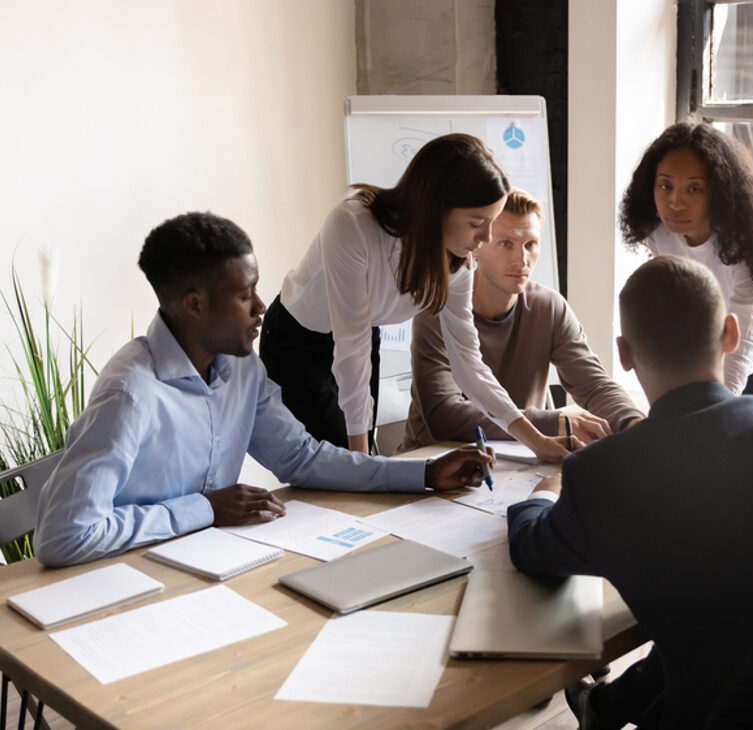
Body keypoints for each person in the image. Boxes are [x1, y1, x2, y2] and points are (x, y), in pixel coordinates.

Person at [507, 255, 753, 729]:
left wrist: (543, 490)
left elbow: (531, 550)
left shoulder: (600, 474)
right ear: (731, 333)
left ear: (624, 352)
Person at [34, 212, 493, 567]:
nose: (261, 307)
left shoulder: (242, 370)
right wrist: (204, 509)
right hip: (120, 587)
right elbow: (64, 537)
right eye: (245, 294)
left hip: (210, 567)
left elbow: (302, 458)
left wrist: (424, 475)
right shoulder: (131, 394)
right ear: (195, 305)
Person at [259, 134, 570, 461]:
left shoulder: (457, 263)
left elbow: (468, 364)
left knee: (357, 458)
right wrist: (364, 470)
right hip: (298, 342)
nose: (486, 238)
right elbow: (351, 349)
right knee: (330, 463)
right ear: (437, 209)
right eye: (478, 223)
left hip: (364, 334)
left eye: (491, 223)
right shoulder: (352, 225)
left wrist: (536, 441)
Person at [399, 189, 644, 451]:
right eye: (506, 244)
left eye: (530, 245)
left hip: (523, 460)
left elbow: (594, 386)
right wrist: (554, 422)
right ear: (475, 248)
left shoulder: (549, 307)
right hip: (433, 467)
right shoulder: (438, 309)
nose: (521, 260)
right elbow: (445, 416)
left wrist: (635, 425)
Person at [619, 121, 753, 397]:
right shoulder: (659, 232)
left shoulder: (745, 243)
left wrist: (717, 409)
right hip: (723, 339)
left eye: (693, 189)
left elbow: (745, 336)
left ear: (719, 191)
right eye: (666, 186)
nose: (675, 202)